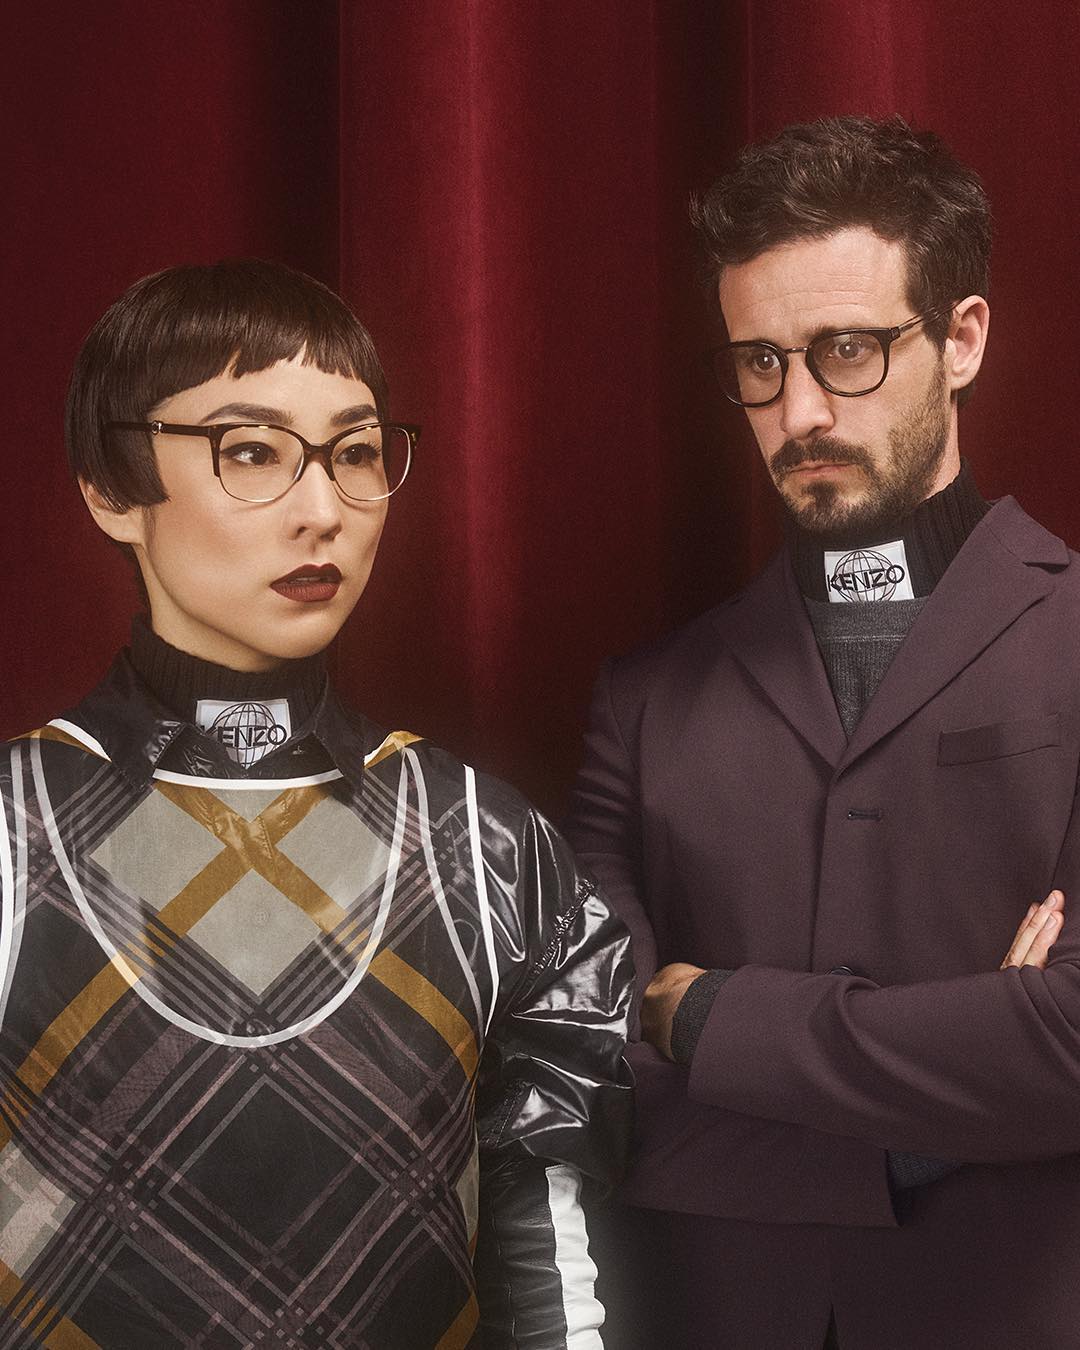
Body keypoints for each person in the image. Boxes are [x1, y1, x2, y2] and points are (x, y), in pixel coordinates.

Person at [0, 259, 632, 1349]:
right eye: (251, 451)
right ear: (110, 490)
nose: (324, 511)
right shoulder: (15, 834)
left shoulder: (489, 845)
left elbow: (544, 1269)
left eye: (354, 453)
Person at [566, 115, 1080, 1349]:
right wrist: (957, 1110)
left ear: (962, 339)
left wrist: (705, 1016)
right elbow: (602, 1092)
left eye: (848, 350)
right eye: (759, 362)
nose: (798, 411)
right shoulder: (643, 701)